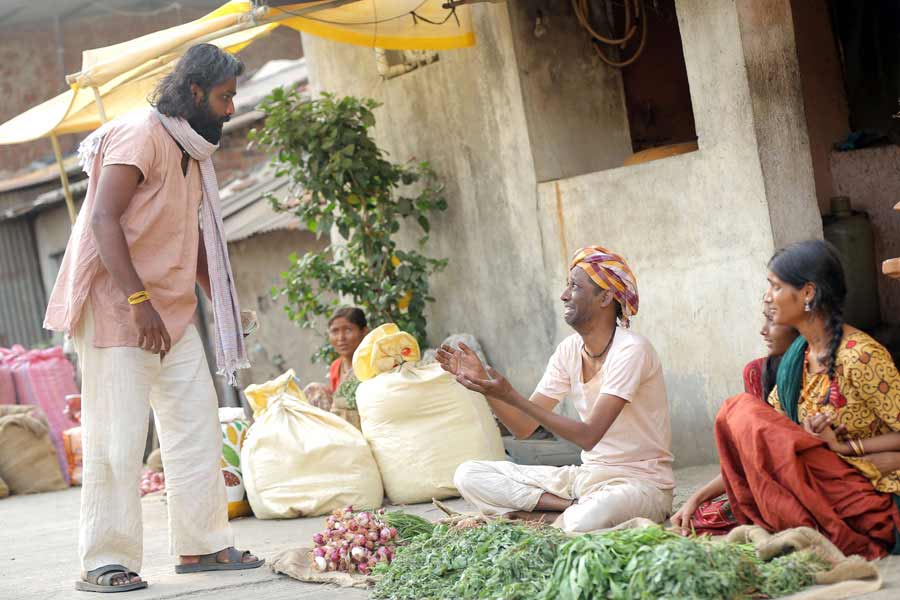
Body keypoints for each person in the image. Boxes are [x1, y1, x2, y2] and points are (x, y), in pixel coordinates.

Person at [43, 44, 262, 593]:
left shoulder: (193, 149)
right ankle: (104, 560)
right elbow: (103, 219)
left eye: (233, 96)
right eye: (224, 96)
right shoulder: (142, 133)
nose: (231, 108)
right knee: (118, 444)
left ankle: (202, 547)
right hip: (122, 311)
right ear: (193, 93)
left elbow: (194, 240)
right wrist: (140, 305)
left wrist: (224, 303)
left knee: (195, 432)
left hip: (172, 314)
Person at [438, 246, 674, 533]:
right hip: (584, 480)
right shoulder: (569, 350)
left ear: (605, 297)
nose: (564, 295)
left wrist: (512, 396)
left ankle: (542, 517)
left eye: (574, 286)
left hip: (638, 484)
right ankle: (564, 511)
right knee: (469, 475)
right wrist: (488, 389)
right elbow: (524, 427)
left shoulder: (631, 349)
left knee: (583, 522)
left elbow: (589, 436)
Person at [714, 239, 900, 559]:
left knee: (740, 409)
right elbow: (768, 443)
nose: (767, 297)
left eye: (775, 286)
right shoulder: (797, 358)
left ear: (808, 293)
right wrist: (698, 497)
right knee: (742, 415)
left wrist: (842, 447)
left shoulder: (861, 356)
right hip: (821, 483)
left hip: (864, 493)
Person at [670, 308, 798, 534]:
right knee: (702, 517)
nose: (763, 331)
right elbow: (749, 459)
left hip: (805, 481)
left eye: (772, 321)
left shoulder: (823, 368)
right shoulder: (760, 372)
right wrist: (695, 498)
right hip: (773, 483)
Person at [327, 307, 369, 392]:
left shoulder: (373, 363)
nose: (341, 338)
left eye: (348, 330)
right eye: (335, 331)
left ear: (364, 332)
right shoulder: (335, 367)